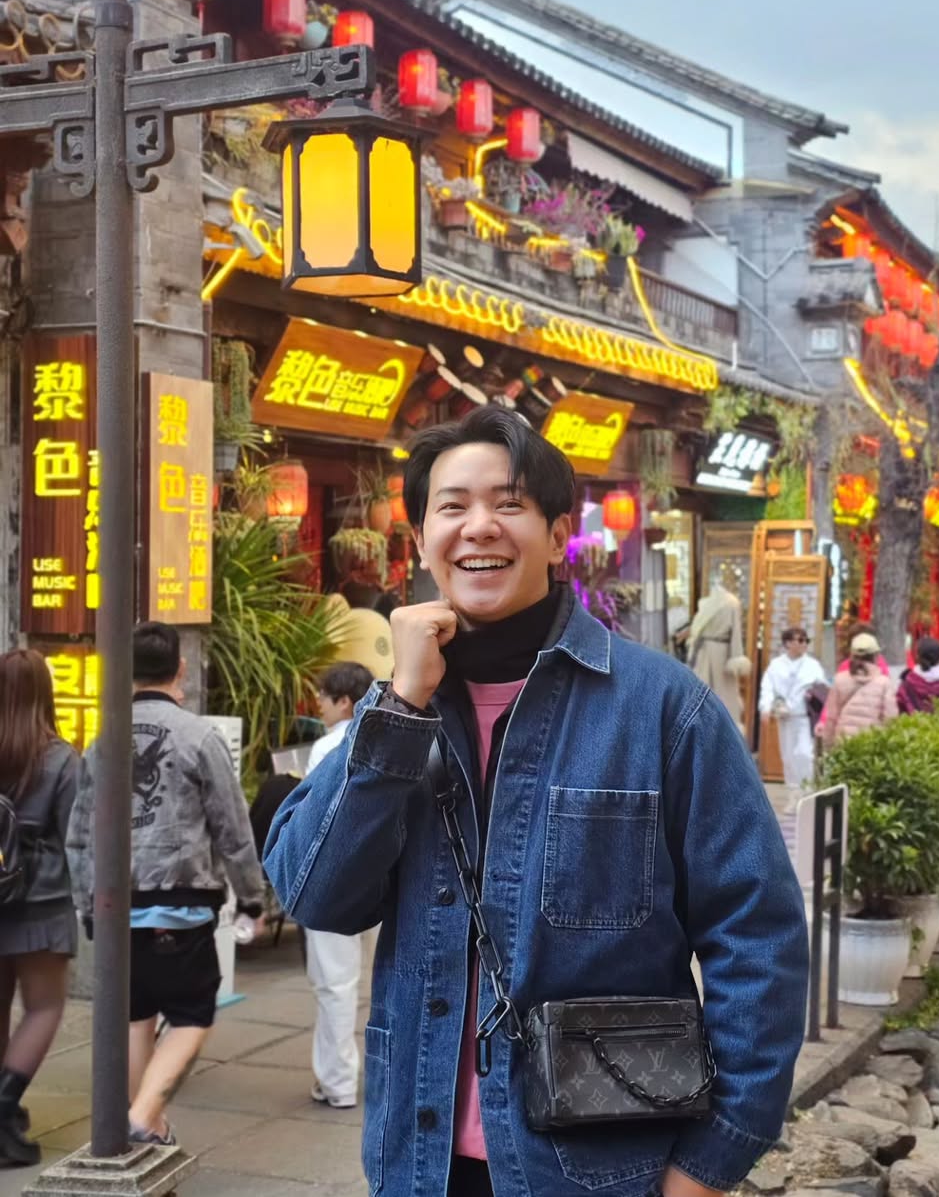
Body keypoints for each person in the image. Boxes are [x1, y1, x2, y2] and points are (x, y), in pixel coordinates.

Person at [265, 405, 808, 1197]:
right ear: (421, 538)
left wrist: (710, 1162)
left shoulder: (662, 708)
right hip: (419, 1166)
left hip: (601, 1171)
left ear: (558, 537)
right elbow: (315, 893)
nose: (478, 527)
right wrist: (402, 704)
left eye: (508, 503)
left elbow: (757, 936)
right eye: (452, 506)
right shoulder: (400, 711)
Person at [66, 622, 265, 1147]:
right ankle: (144, 1114)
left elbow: (80, 835)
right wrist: (251, 897)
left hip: (117, 909)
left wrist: (87, 905)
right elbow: (232, 827)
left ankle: (143, 1128)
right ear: (180, 669)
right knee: (192, 1014)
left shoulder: (102, 741)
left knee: (136, 1015)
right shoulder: (199, 737)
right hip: (181, 906)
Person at [0, 650, 79, 1167]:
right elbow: (77, 837)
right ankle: (4, 1105)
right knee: (44, 1007)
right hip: (41, 899)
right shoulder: (60, 759)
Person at [303, 661, 373, 1111]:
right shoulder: (389, 734)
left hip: (335, 878)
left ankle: (338, 1081)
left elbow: (313, 812)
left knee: (335, 984)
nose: (320, 706)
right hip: (386, 873)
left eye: (324, 699)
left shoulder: (327, 746)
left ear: (344, 701)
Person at [759, 627, 827, 800]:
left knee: (804, 754)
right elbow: (767, 687)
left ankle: (807, 792)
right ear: (788, 643)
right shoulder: (776, 665)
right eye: (800, 640)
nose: (804, 644)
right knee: (788, 757)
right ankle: (793, 793)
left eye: (806, 640)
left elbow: (823, 689)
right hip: (784, 717)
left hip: (804, 717)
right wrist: (766, 707)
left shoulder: (812, 665)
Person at [685, 581, 751, 728]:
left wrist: (735, 656)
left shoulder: (730, 603)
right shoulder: (711, 603)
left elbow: (735, 633)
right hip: (707, 653)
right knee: (704, 692)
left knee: (723, 694)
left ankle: (721, 730)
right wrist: (736, 655)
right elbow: (736, 633)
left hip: (719, 655)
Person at [820, 648, 897, 747]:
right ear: (874, 657)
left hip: (843, 743)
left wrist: (827, 743)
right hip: (871, 743)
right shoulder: (884, 682)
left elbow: (831, 717)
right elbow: (890, 717)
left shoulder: (839, 679)